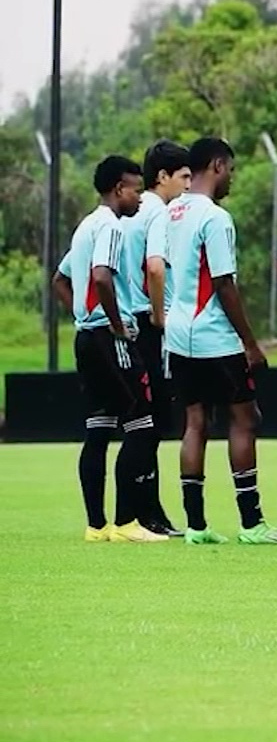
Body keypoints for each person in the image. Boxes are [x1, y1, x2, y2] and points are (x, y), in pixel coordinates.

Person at [159, 138, 277, 545]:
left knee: (195, 423)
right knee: (244, 418)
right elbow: (223, 282)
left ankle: (196, 525)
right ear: (218, 165)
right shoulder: (215, 218)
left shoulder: (173, 211)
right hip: (214, 338)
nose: (232, 178)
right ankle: (251, 522)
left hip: (179, 334)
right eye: (231, 170)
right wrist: (251, 344)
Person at [53, 155, 165, 542]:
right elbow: (101, 277)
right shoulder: (112, 226)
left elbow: (60, 280)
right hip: (108, 336)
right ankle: (126, 522)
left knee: (99, 428)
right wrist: (117, 327)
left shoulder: (86, 226)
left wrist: (84, 317)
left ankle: (96, 525)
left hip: (86, 337)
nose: (140, 197)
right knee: (141, 421)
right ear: (119, 189)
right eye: (136, 188)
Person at [125, 140, 191, 536]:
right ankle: (147, 512)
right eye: (182, 176)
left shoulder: (129, 212)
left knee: (141, 423)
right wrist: (160, 315)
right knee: (152, 425)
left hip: (127, 324)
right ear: (162, 177)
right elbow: (154, 267)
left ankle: (146, 510)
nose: (187, 185)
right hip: (149, 327)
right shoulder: (157, 212)